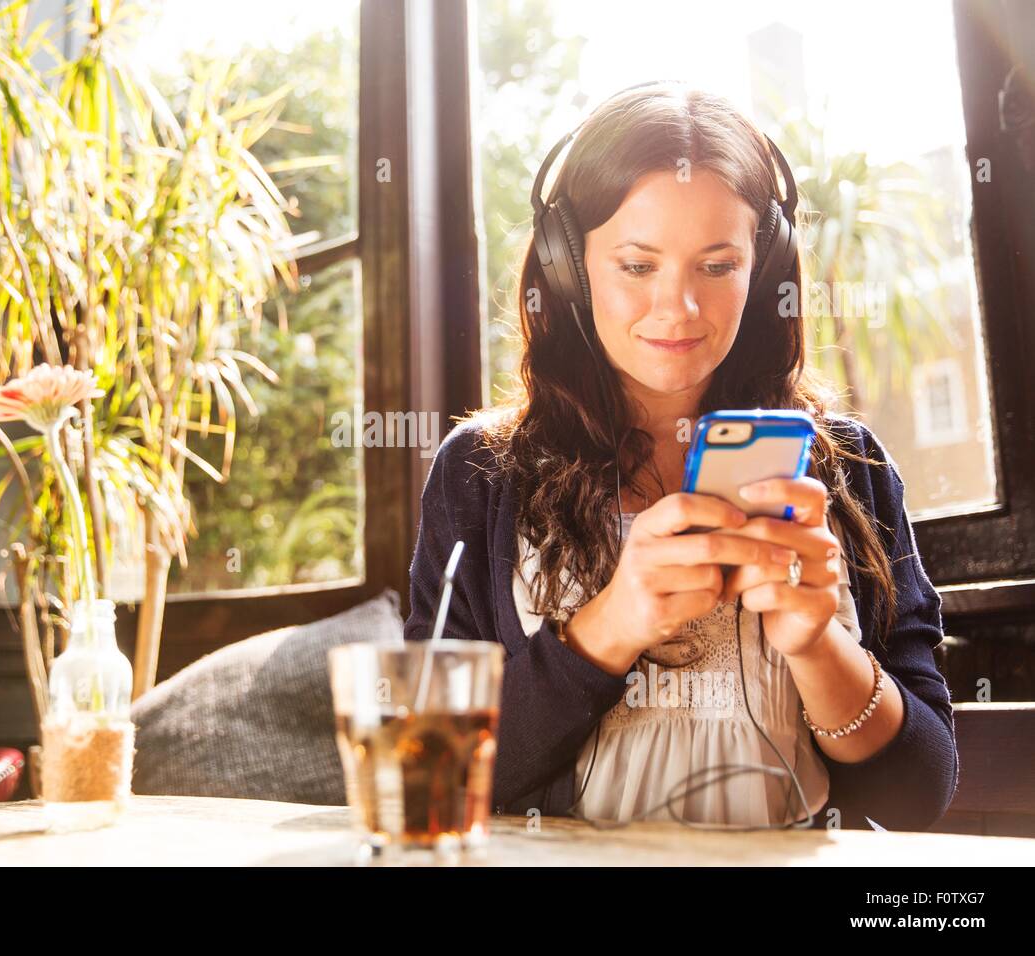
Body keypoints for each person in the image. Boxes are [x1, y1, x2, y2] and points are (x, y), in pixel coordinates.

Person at [404, 81, 959, 831]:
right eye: (637, 267)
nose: (680, 308)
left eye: (718, 266)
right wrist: (607, 630)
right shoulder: (479, 475)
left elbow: (917, 796)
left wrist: (817, 644)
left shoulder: (851, 467)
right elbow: (431, 771)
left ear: (762, 268)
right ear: (570, 267)